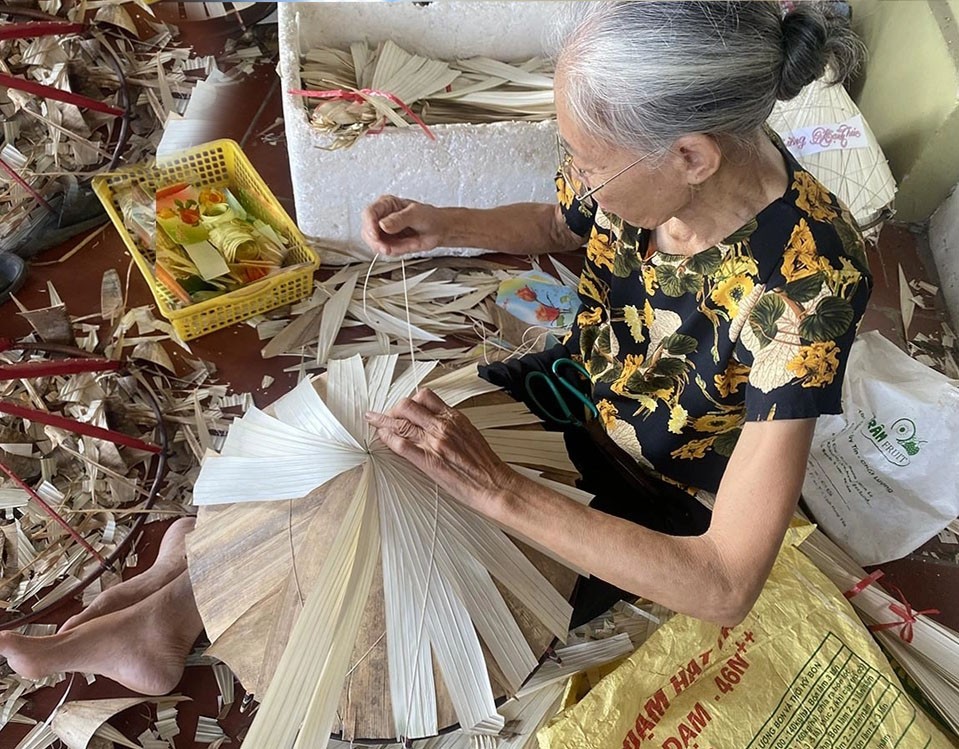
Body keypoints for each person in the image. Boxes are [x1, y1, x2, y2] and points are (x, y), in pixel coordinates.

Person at [0, 0, 870, 696]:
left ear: (689, 156)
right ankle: (182, 587)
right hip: (571, 384)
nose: (575, 169)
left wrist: (498, 488)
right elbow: (562, 220)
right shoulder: (644, 156)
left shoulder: (806, 287)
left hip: (647, 492)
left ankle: (176, 603)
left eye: (584, 157)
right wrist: (441, 223)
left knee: (384, 536)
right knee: (358, 450)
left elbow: (722, 584)